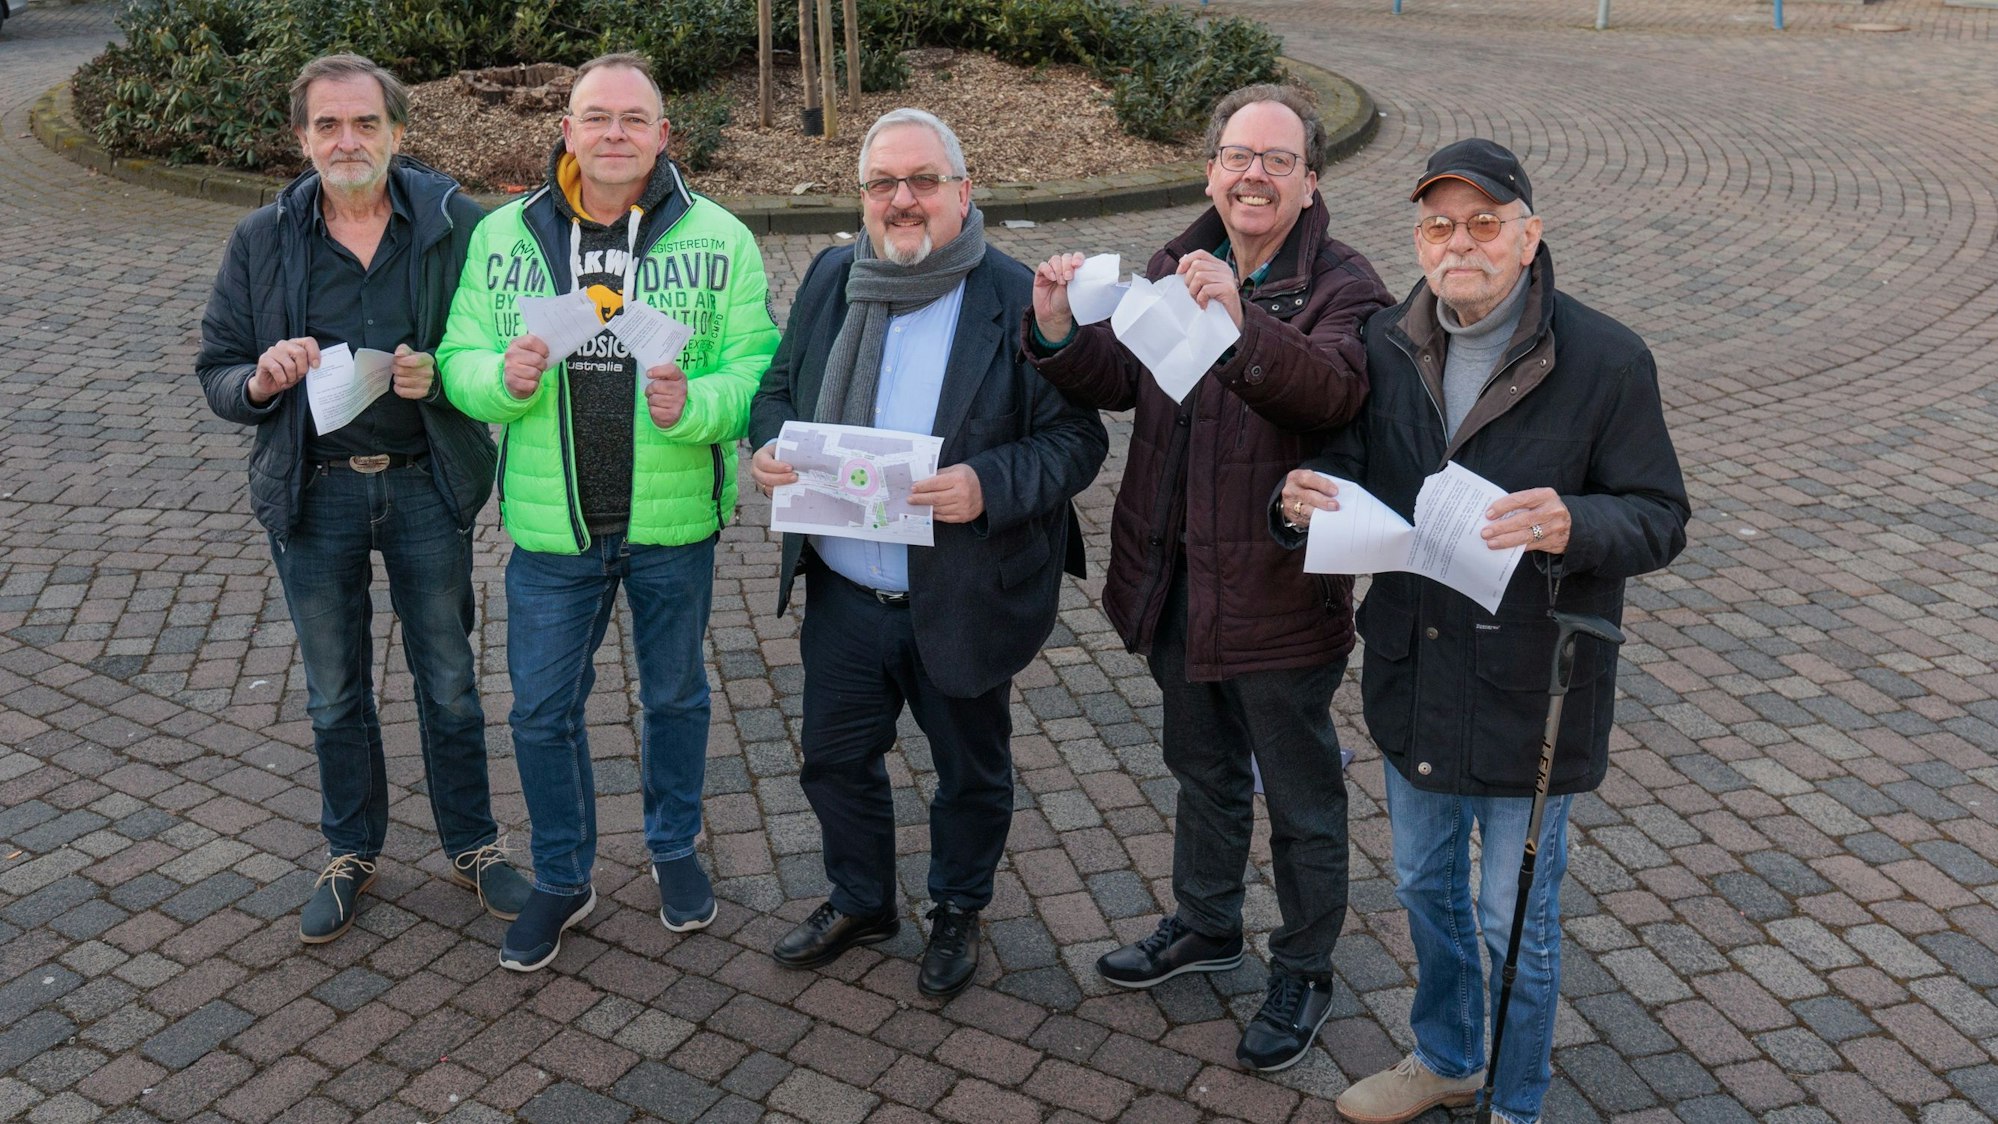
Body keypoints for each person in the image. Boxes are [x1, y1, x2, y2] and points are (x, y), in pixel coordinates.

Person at [1275, 138, 1689, 1123]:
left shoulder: (1607, 358)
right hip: (1416, 669)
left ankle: (1516, 1100)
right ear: (1418, 240)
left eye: (1484, 222)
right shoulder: (1384, 342)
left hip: (1533, 686)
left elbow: (1660, 515)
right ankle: (1450, 1054)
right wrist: (1305, 495)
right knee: (1425, 887)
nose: (1460, 241)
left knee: (1517, 919)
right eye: (1438, 225)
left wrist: (1573, 523)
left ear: (1528, 234)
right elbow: (1357, 463)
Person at [1025, 84, 1390, 1070]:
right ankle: (1205, 920)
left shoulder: (1346, 289)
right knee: (1203, 769)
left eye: (1278, 159)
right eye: (1238, 155)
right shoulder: (1172, 265)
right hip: (1176, 582)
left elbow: (1330, 386)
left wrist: (1238, 324)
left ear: (1311, 183)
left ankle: (1304, 968)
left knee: (1301, 799)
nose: (1254, 174)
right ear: (1210, 171)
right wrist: (1059, 331)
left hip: (1277, 592)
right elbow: (1121, 377)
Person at [747, 109, 1107, 998]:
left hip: (962, 589)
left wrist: (988, 482)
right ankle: (862, 898)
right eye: (882, 185)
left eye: (922, 182)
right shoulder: (835, 276)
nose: (902, 201)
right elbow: (781, 389)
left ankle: (957, 909)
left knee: (971, 776)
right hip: (845, 591)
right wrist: (768, 448)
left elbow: (1076, 441)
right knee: (833, 760)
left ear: (962, 191)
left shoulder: (1015, 296)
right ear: (863, 196)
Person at [437, 52, 780, 972]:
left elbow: (757, 369)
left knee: (674, 698)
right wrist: (496, 381)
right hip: (554, 529)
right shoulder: (505, 235)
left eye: (634, 118)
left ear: (665, 136)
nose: (615, 133)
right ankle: (562, 875)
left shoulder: (724, 237)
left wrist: (698, 406)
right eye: (596, 118)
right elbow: (460, 352)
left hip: (674, 523)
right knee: (542, 713)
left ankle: (672, 851)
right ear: (568, 131)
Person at [195, 54, 526, 944]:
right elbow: (216, 371)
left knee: (450, 683)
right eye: (328, 126)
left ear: (397, 132)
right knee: (335, 691)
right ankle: (350, 850)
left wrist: (447, 378)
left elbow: (501, 346)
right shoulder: (263, 240)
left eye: (366, 124)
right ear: (302, 138)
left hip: (425, 486)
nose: (349, 142)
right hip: (314, 496)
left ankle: (475, 845)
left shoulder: (457, 224)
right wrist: (260, 383)